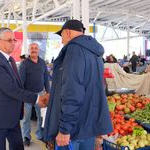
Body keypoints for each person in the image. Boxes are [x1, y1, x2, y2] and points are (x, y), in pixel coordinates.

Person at [42, 20, 112, 150]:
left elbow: (72, 92)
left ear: (67, 32)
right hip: (88, 126)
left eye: (61, 36)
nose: (62, 41)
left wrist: (64, 129)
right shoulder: (94, 53)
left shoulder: (74, 50)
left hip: (73, 129)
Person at [0, 27, 48, 150]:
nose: (13, 43)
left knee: (18, 146)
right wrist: (38, 98)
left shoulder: (10, 60)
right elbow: (11, 89)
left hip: (11, 118)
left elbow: (18, 85)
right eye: (9, 40)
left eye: (14, 40)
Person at [19, 43, 50, 146]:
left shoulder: (42, 63)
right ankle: (26, 137)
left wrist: (48, 92)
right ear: (29, 50)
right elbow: (21, 81)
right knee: (26, 118)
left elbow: (46, 77)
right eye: (31, 48)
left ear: (38, 50)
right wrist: (22, 97)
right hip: (27, 95)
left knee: (41, 116)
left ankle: (40, 134)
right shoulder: (24, 64)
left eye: (35, 48)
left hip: (40, 94)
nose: (34, 50)